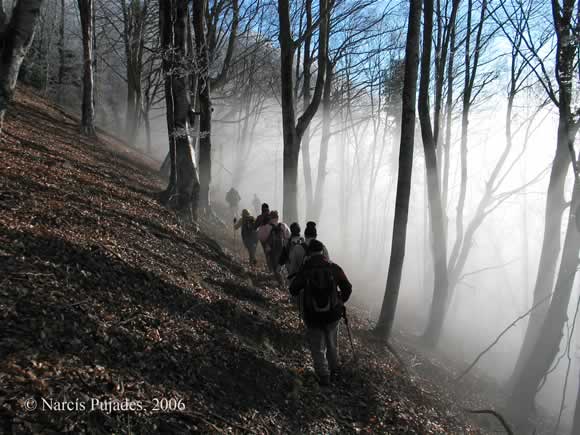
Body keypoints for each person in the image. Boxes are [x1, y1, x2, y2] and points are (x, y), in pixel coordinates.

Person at [290, 239, 352, 386]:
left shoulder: (306, 269)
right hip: (333, 315)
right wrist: (340, 300)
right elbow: (347, 287)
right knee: (332, 344)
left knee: (317, 347)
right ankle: (334, 370)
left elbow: (293, 289)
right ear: (323, 252)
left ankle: (324, 377)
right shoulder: (334, 267)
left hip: (312, 316)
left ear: (309, 253)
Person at [258, 210, 290, 283]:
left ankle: (280, 282)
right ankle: (283, 281)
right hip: (282, 249)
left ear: (270, 218)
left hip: (272, 250)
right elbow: (288, 236)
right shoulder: (283, 225)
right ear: (277, 217)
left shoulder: (267, 227)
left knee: (274, 266)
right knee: (281, 265)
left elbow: (261, 238)